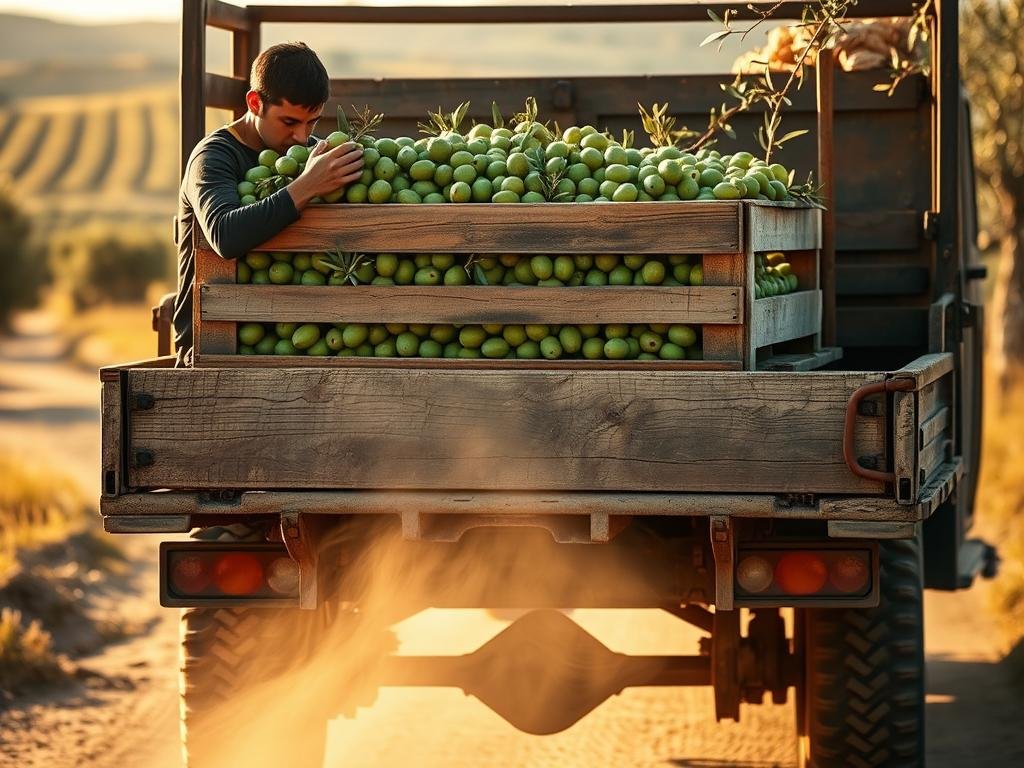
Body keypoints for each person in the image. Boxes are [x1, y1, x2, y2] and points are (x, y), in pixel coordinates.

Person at [173, 42, 364, 366]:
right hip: (214, 351)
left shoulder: (312, 155)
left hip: (297, 343)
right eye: (289, 122)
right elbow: (224, 234)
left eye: (312, 122)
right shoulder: (214, 157)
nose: (303, 138)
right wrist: (307, 186)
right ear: (254, 102)